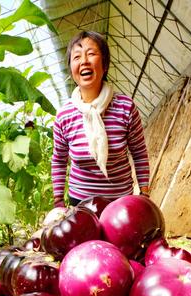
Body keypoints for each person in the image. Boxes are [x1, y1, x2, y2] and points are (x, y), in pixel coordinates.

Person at [52, 30, 150, 207]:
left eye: (91, 54)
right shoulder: (64, 116)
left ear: (104, 64)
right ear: (71, 70)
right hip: (81, 204)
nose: (84, 61)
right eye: (77, 57)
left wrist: (144, 192)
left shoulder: (125, 107)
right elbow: (59, 159)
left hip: (121, 202)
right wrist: (58, 200)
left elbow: (139, 152)